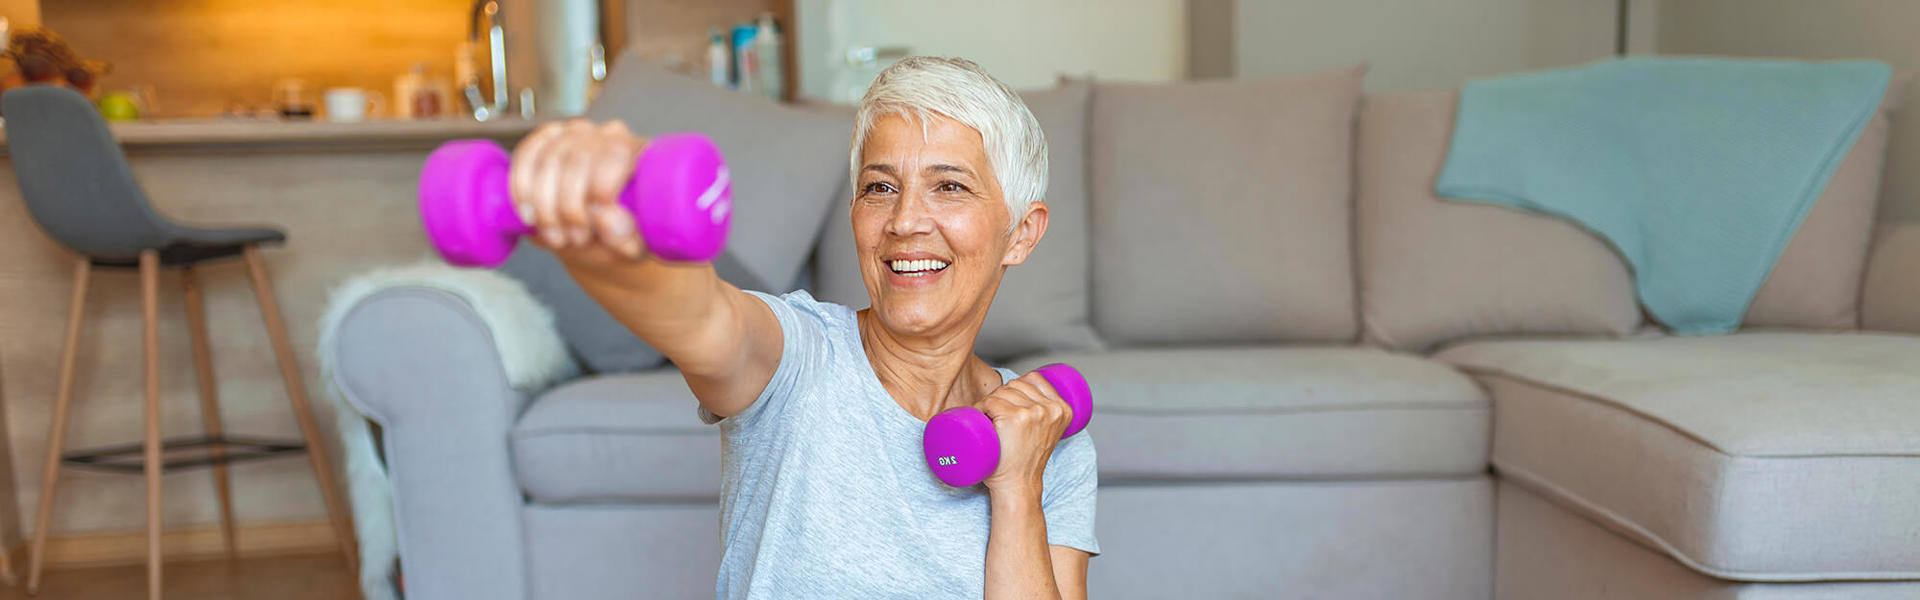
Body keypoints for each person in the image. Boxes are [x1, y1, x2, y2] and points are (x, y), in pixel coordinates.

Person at [506, 56, 1097, 599]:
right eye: (880, 187)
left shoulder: (1045, 433)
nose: (905, 220)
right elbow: (705, 319)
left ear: (1021, 233)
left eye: (949, 186)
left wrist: (1018, 488)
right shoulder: (800, 358)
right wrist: (605, 224)